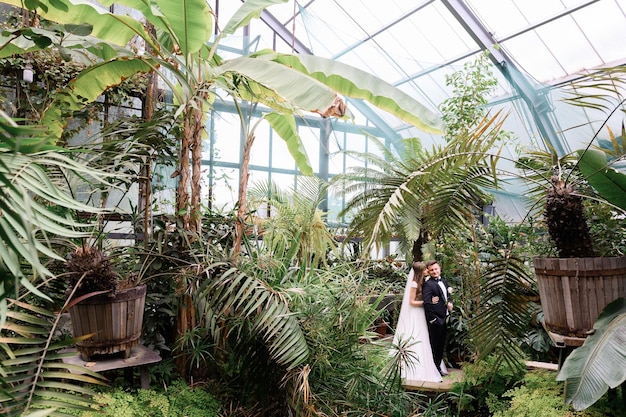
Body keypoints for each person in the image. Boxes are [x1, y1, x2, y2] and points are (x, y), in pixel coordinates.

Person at [392, 261, 445, 383]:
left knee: (424, 336)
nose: (428, 271)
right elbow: (411, 302)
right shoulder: (414, 283)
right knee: (415, 335)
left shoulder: (424, 282)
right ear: (420, 271)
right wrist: (427, 303)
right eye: (425, 270)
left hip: (421, 312)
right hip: (415, 313)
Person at [422, 260, 453, 377]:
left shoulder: (443, 281)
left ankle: (438, 367)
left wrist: (450, 303)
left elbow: (448, 296)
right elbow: (427, 303)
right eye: (432, 270)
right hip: (436, 321)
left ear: (439, 268)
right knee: (434, 346)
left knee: (441, 345)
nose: (434, 271)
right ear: (429, 272)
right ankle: (434, 370)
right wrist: (434, 320)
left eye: (436, 269)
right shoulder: (428, 284)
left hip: (444, 317)